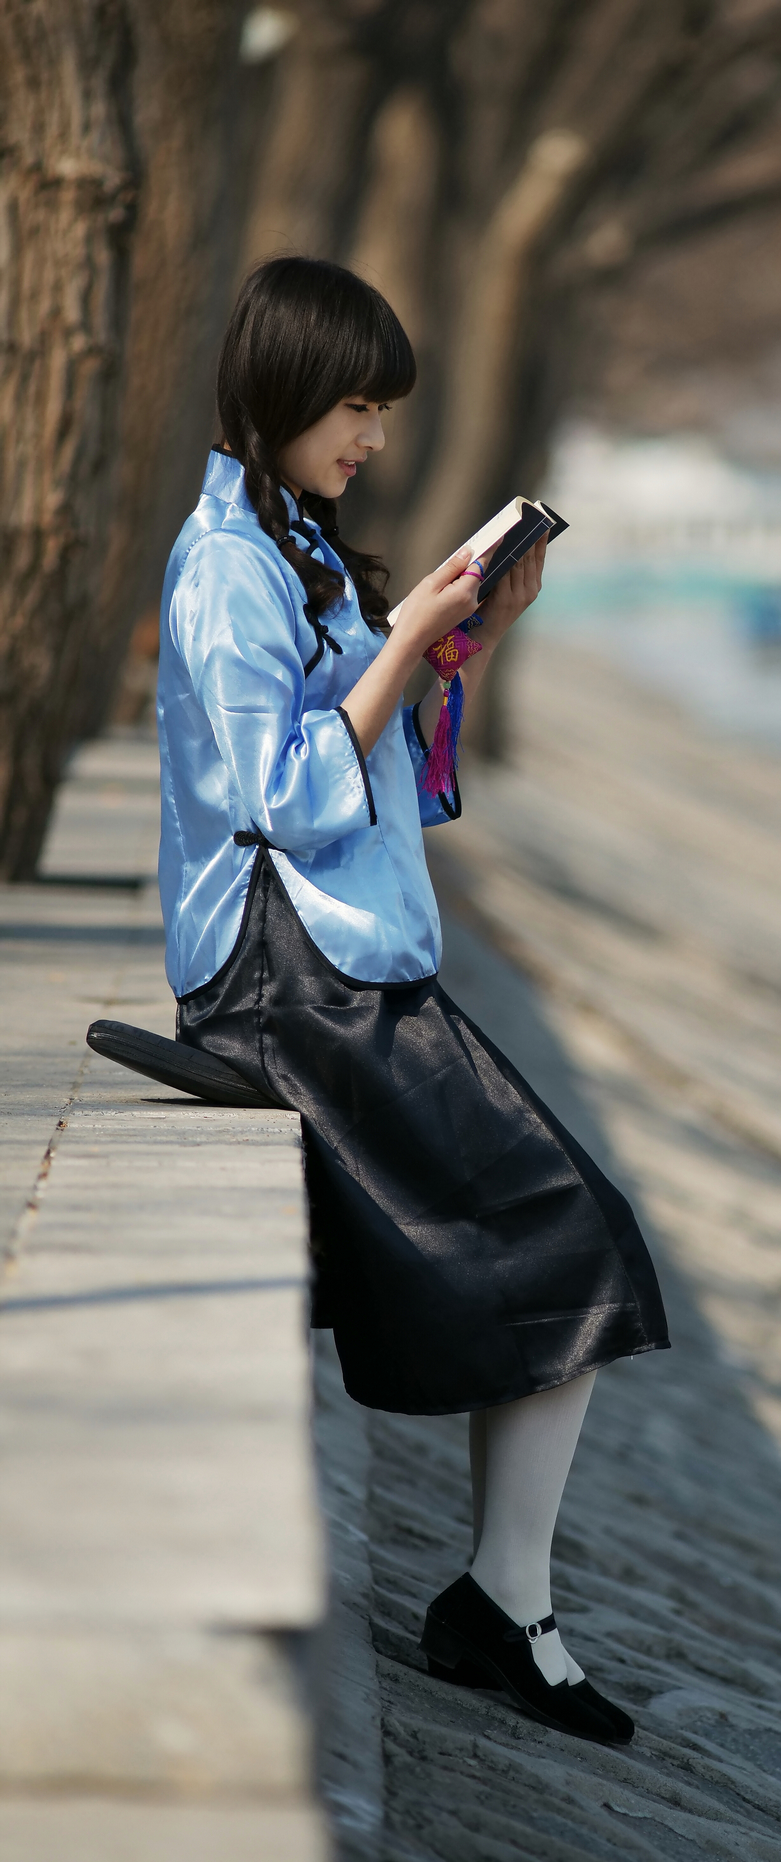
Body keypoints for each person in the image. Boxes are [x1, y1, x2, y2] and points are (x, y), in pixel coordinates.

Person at [157, 256, 669, 1746]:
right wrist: (397, 642)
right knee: (578, 1239)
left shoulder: (294, 543)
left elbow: (388, 788)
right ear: (289, 390)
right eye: (359, 408)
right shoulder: (226, 564)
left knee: (575, 1245)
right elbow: (292, 798)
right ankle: (503, 1608)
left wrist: (468, 643)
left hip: (343, 963)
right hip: (283, 979)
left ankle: (506, 1601)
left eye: (381, 412)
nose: (370, 439)